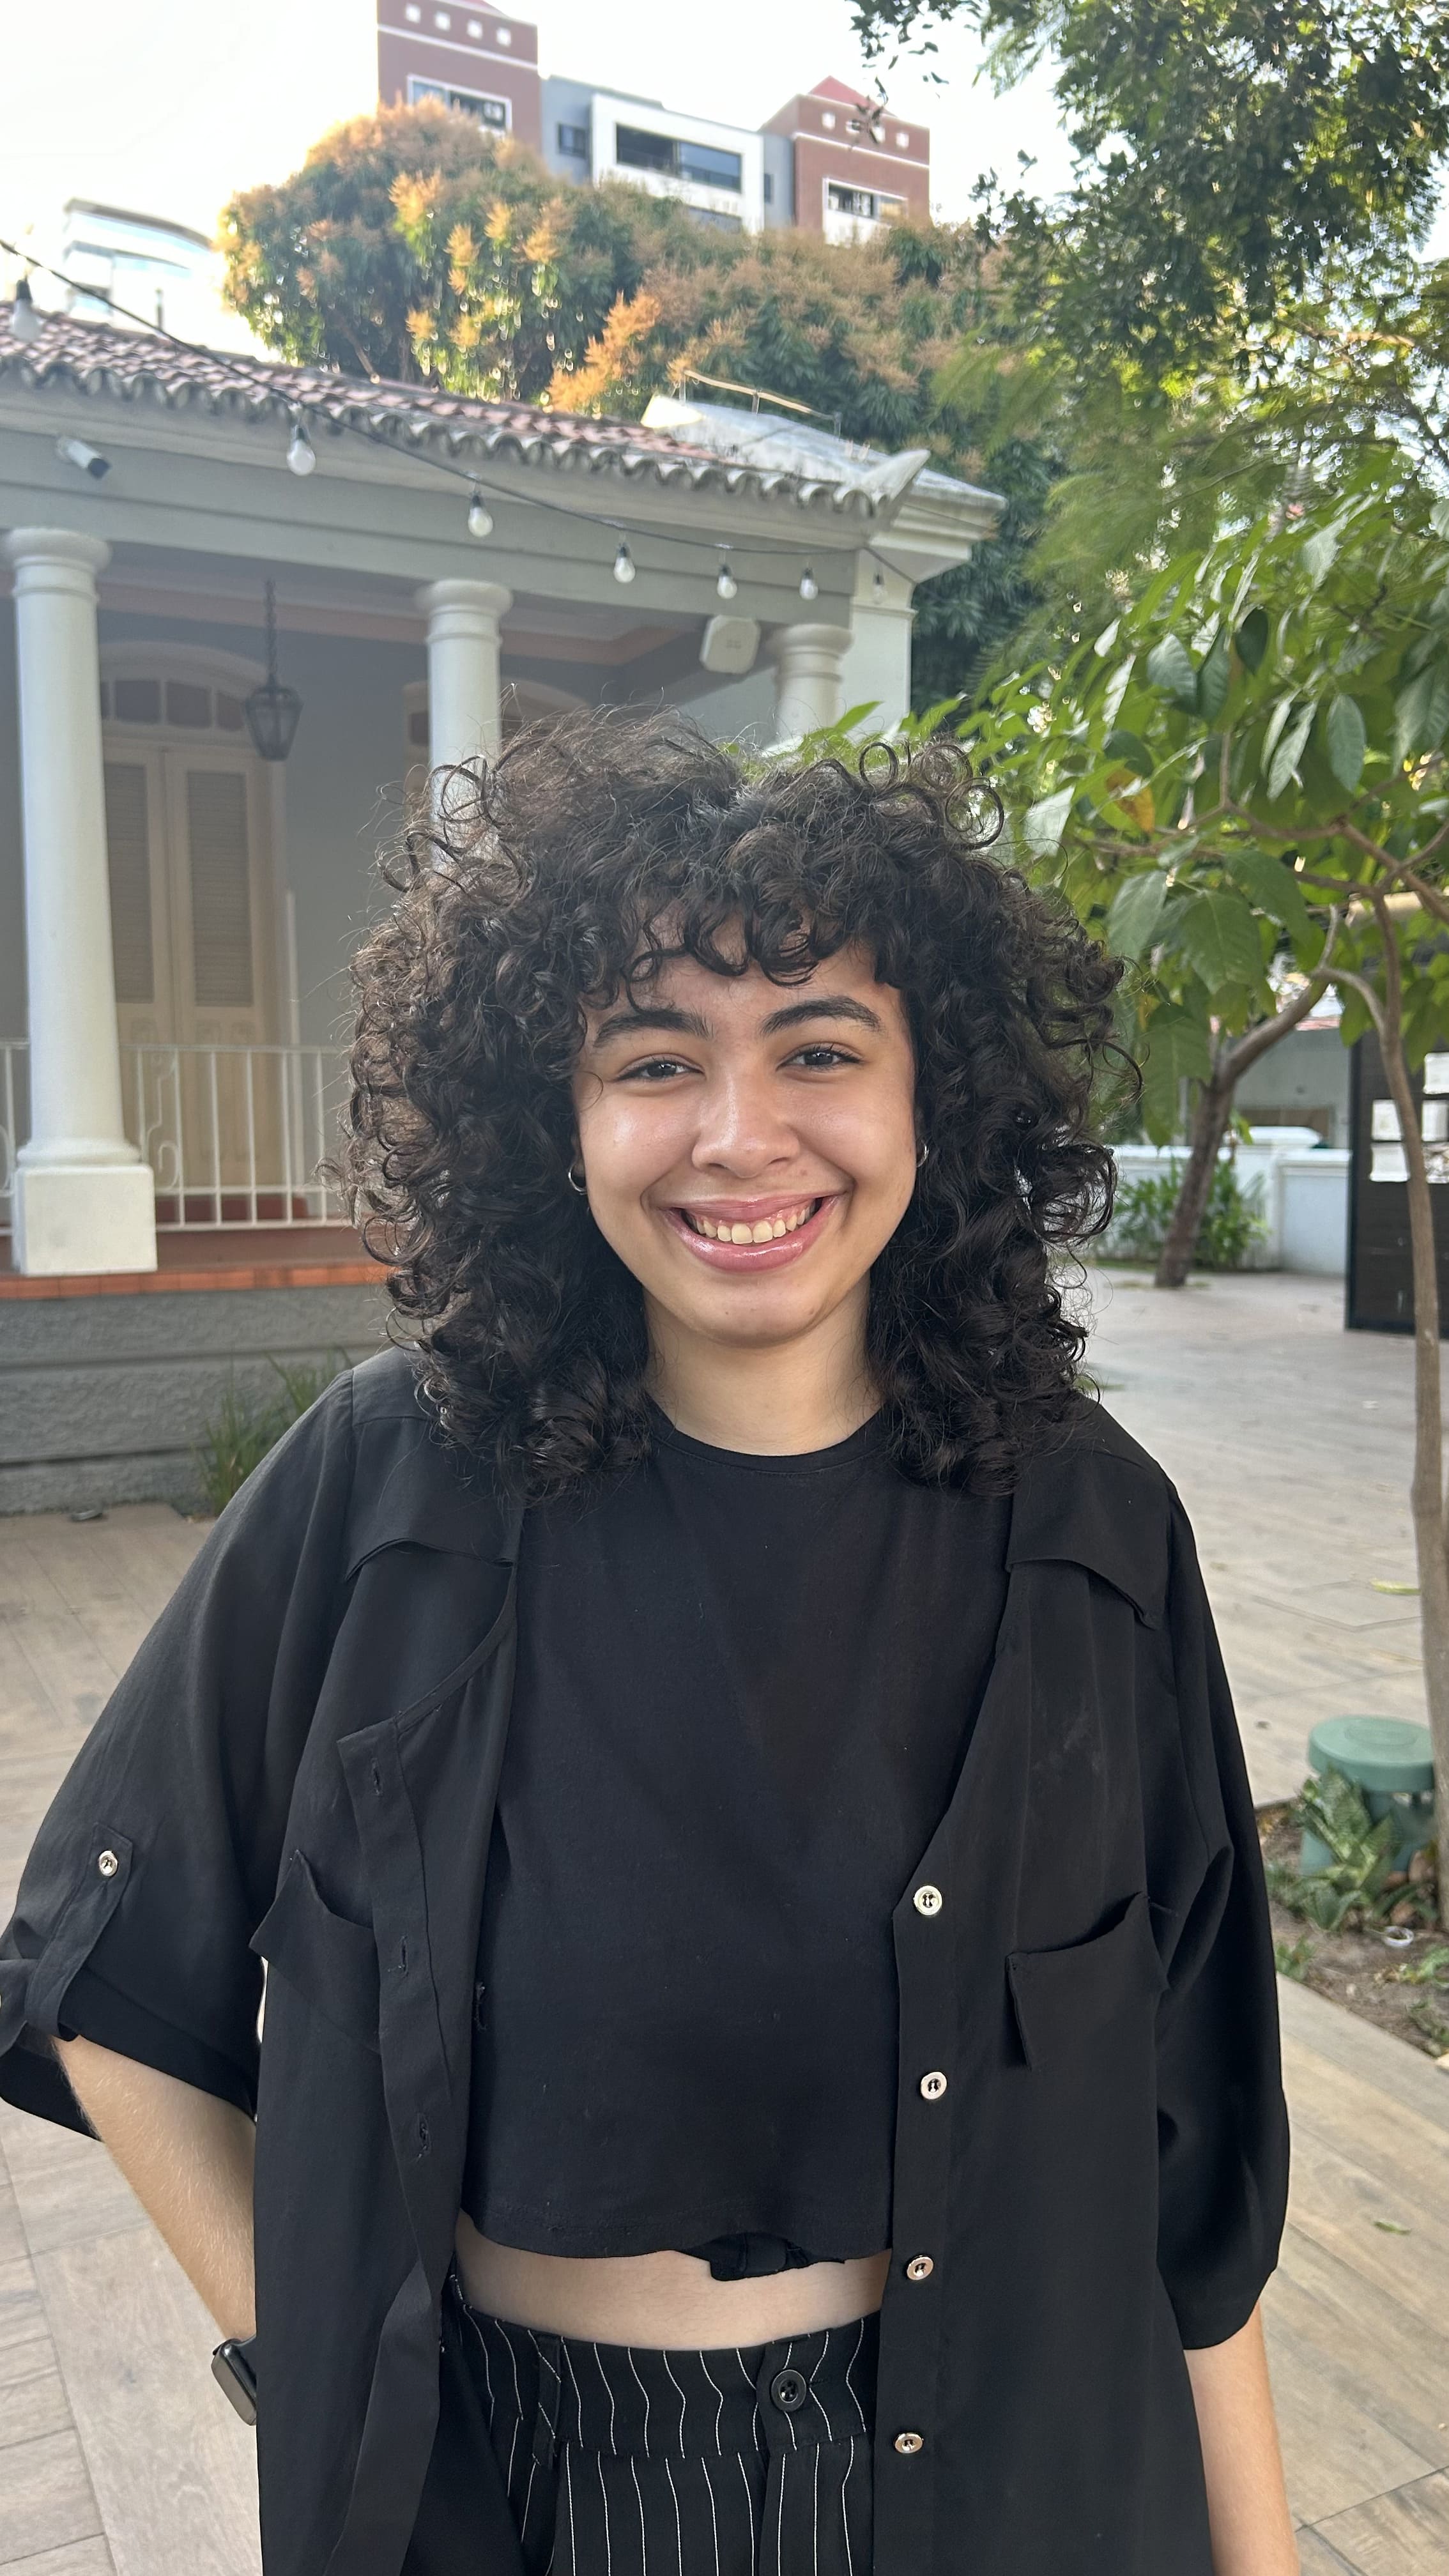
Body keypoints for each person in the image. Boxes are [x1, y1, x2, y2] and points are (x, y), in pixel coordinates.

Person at [0, 715, 1293, 2576]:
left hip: (1024, 2486)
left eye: (821, 1049)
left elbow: (1195, 2153)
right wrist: (325, 2375)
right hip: (540, 2501)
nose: (739, 1134)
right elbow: (103, 1976)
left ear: (937, 1099)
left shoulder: (1095, 1530)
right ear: (559, 1120)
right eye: (655, 1058)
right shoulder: (388, 1491)